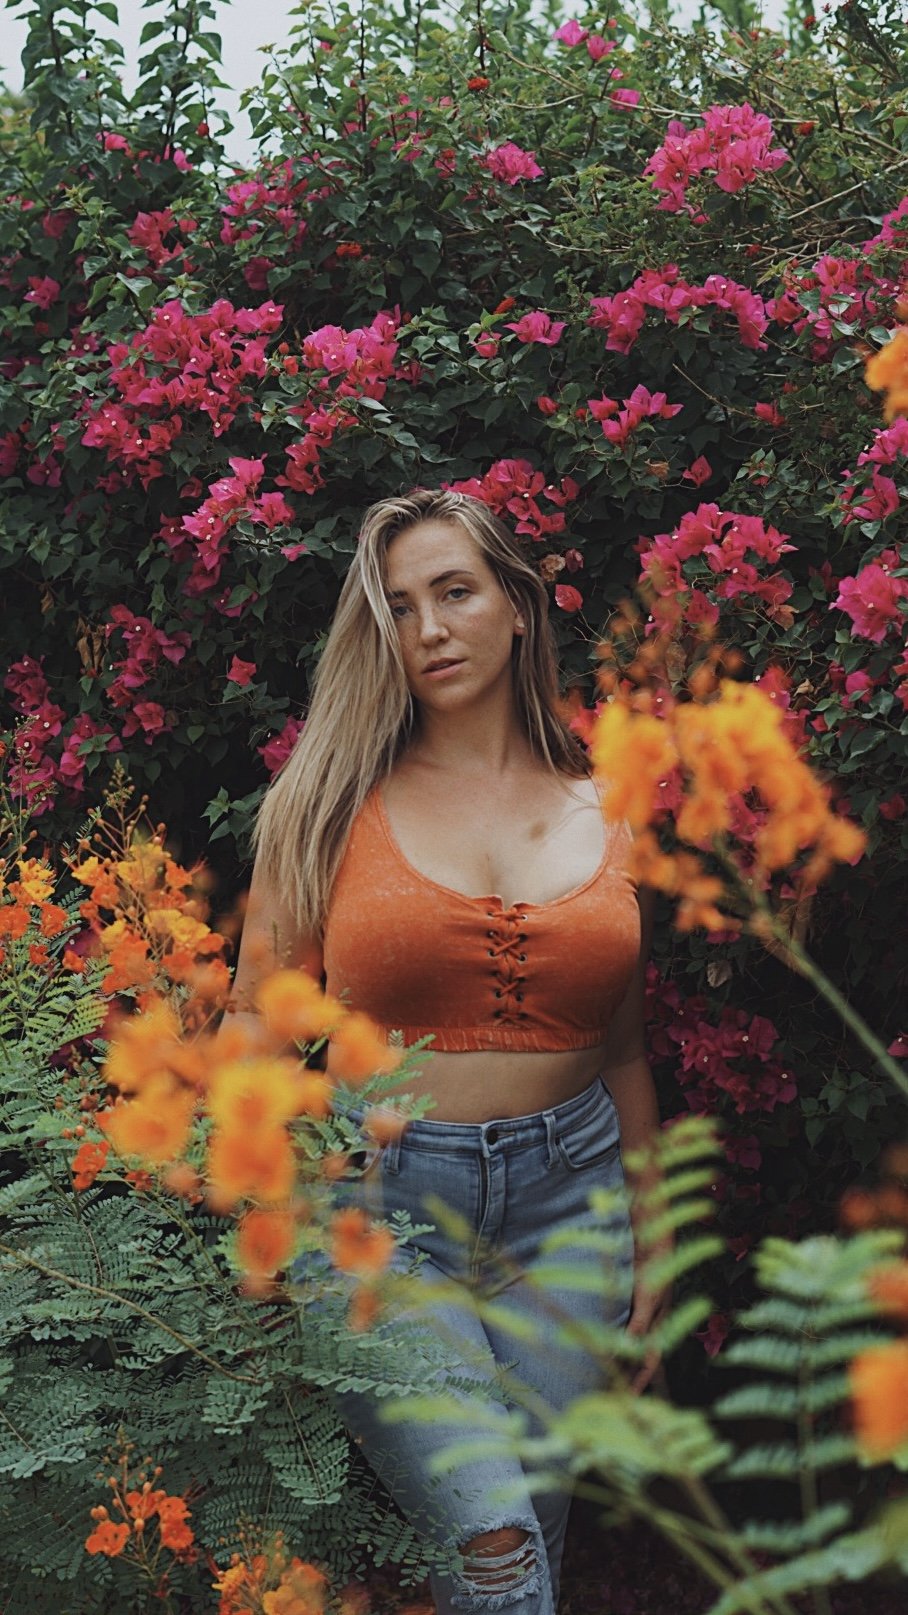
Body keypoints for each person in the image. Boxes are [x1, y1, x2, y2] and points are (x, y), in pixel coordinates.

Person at [223, 487, 667, 1615]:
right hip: (381, 1214)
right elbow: (254, 1023)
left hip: (573, 1214)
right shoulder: (323, 805)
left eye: (454, 591)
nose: (427, 627)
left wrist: (658, 1250)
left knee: (534, 1532)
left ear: (516, 606)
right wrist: (256, 1220)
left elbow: (620, 1048)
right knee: (491, 1548)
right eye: (399, 607)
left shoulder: (605, 807)